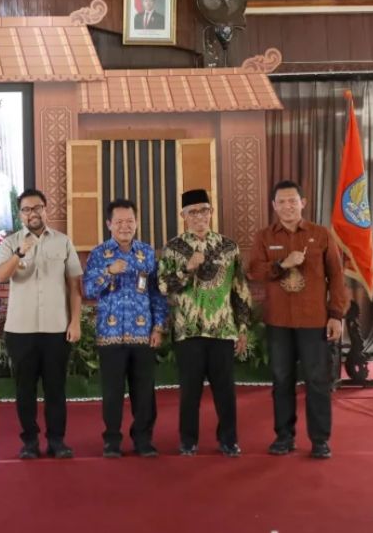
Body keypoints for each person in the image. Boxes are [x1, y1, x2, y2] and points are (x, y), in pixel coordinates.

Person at [248, 180, 348, 459]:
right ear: (274, 206)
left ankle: (320, 440)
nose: (287, 206)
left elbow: (336, 277)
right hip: (278, 321)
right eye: (281, 202)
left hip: (314, 320)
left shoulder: (321, 235)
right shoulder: (264, 237)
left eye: (292, 201)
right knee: (282, 380)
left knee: (317, 380)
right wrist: (282, 264)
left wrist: (336, 315)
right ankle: (284, 437)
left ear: (303, 203)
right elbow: (254, 271)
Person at [157, 189, 251, 457]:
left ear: (211, 212)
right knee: (190, 392)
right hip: (188, 331)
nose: (199, 216)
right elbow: (162, 286)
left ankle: (229, 440)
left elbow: (240, 289)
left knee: (225, 391)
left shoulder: (229, 247)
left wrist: (243, 328)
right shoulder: (173, 248)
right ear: (183, 216)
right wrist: (186, 268)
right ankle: (188, 440)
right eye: (193, 212)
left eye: (204, 210)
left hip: (222, 330)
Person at [0, 188, 83, 459]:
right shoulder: (10, 243)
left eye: (37, 208)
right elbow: (1, 276)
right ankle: (30, 442)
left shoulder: (63, 242)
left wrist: (75, 322)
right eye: (26, 210)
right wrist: (19, 253)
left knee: (56, 389)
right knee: (25, 390)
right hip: (20, 330)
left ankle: (57, 441)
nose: (32, 213)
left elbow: (74, 286)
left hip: (57, 329)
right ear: (20, 214)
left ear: (45, 209)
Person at [83, 199, 167, 458]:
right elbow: (88, 290)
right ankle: (112, 440)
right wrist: (109, 271)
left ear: (137, 223)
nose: (125, 226)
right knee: (112, 392)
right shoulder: (99, 254)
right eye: (119, 222)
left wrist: (158, 327)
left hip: (143, 334)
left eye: (129, 221)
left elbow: (156, 293)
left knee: (144, 392)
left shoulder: (147, 253)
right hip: (110, 335)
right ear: (109, 224)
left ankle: (143, 439)